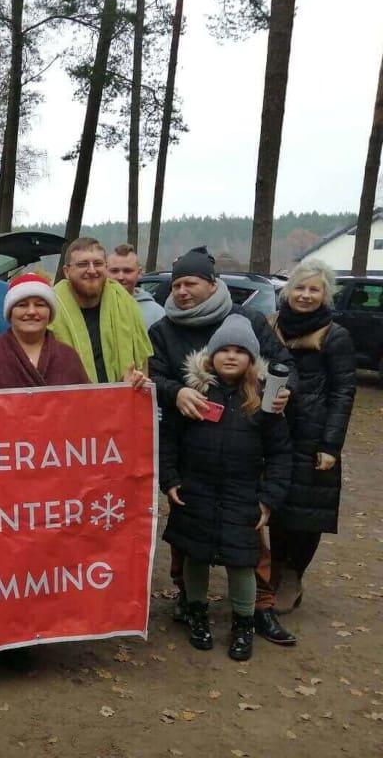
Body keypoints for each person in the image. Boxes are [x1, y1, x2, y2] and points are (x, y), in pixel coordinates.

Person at [148, 246, 296, 635]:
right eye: (176, 284)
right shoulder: (163, 329)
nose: (181, 291)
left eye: (190, 283)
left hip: (243, 451)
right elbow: (156, 375)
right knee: (188, 534)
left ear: (212, 285)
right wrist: (175, 392)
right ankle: (189, 599)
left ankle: (258, 607)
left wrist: (283, 392)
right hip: (194, 443)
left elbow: (282, 365)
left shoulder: (247, 319)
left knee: (248, 539)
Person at [160, 315, 291, 662]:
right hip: (195, 489)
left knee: (242, 562)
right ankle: (196, 612)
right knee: (195, 555)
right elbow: (169, 438)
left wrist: (268, 500)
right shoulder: (194, 393)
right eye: (224, 350)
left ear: (251, 358)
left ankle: (243, 623)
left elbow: (280, 453)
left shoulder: (265, 400)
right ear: (211, 355)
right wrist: (170, 479)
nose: (231, 356)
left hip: (242, 493)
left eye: (239, 351)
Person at [261, 259, 356, 620]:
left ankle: (292, 576)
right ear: (288, 290)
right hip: (273, 433)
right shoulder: (270, 326)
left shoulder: (336, 336)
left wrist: (330, 445)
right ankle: (276, 566)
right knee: (278, 506)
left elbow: (343, 392)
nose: (305, 295)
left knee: (308, 511)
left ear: (325, 295)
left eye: (314, 289)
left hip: (314, 437)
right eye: (300, 287)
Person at [48, 238, 153, 384]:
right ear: (67, 271)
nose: (91, 270)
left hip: (122, 401)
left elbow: (142, 363)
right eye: (82, 264)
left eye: (98, 263)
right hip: (68, 402)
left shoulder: (125, 303)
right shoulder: (50, 310)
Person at [0, 274, 90, 390]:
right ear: (10, 312)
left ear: (50, 313)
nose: (31, 312)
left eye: (40, 305)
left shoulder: (67, 356)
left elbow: (85, 403)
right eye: (22, 305)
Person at [107, 243, 165, 329]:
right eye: (114, 271)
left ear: (139, 273)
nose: (120, 277)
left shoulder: (156, 313)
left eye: (127, 271)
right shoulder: (95, 307)